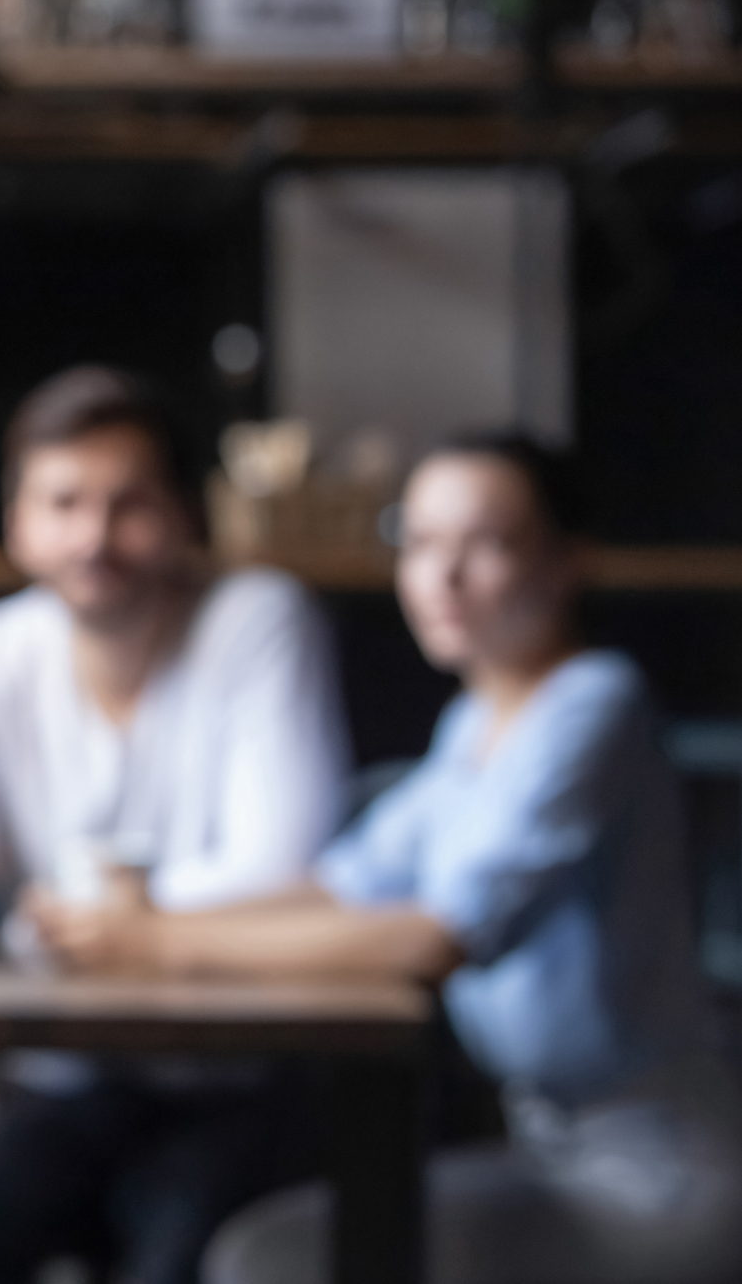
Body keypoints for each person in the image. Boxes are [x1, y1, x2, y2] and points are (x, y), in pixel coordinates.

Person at [38, 434, 742, 1284]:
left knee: (269, 1258)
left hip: (656, 1175)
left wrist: (156, 944)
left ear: (567, 562)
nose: (442, 578)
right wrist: (141, 923)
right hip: (544, 1148)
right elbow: (340, 885)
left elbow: (436, 936)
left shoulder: (593, 706)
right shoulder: (472, 728)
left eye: (484, 544)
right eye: (419, 544)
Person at [0, 367, 350, 1284]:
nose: (92, 535)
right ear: (17, 521)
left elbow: (289, 867)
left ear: (184, 516)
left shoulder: (258, 617)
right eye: (63, 501)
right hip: (55, 1074)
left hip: (233, 1076)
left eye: (129, 503)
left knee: (182, 1260)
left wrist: (60, 920)